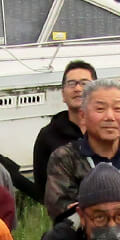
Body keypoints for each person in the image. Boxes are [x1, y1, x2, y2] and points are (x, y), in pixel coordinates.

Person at [42, 79, 120, 223]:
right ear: (83, 116)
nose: (110, 117)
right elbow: (60, 212)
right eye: (100, 109)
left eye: (117, 109)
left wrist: (90, 202)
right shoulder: (65, 159)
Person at [30, 61, 98, 195]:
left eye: (84, 83)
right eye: (71, 83)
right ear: (63, 94)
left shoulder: (107, 129)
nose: (78, 88)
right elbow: (42, 186)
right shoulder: (48, 135)